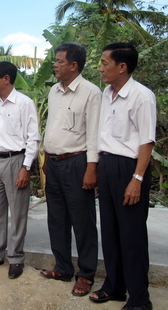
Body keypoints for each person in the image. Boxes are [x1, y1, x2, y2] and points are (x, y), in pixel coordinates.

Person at [89, 43, 156, 310]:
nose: (101, 68)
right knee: (111, 232)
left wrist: (137, 180)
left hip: (129, 168)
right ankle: (114, 287)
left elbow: (146, 142)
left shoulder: (142, 96)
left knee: (132, 236)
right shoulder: (106, 93)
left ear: (122, 67)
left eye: (105, 63)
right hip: (107, 166)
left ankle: (140, 299)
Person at [40, 42, 101, 296]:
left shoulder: (91, 92)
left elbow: (95, 135)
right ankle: (63, 267)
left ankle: (85, 275)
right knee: (56, 219)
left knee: (83, 221)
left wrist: (91, 168)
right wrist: (45, 155)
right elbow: (51, 125)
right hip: (53, 163)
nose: (55, 65)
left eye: (59, 61)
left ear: (74, 66)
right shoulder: (54, 91)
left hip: (77, 163)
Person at [0, 61, 40, 279]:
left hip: (17, 161)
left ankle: (15, 258)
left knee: (18, 212)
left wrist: (26, 167)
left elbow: (33, 138)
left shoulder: (24, 103)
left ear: (7, 79)